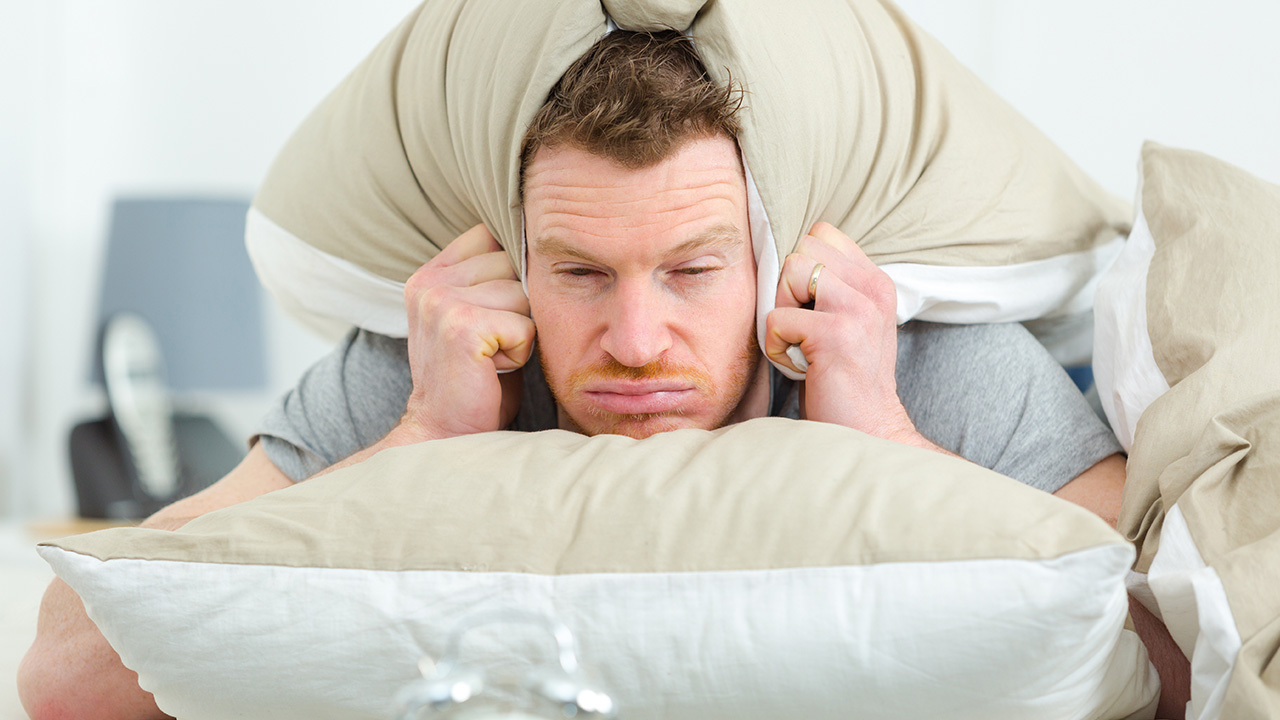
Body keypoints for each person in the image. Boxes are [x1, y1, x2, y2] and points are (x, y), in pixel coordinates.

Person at [19, 30, 1188, 720]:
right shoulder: (427, 364)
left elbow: (1185, 665)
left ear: (769, 260)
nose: (634, 338)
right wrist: (420, 438)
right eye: (580, 273)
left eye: (690, 269)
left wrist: (883, 438)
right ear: (516, 260)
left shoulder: (923, 358)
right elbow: (68, 675)